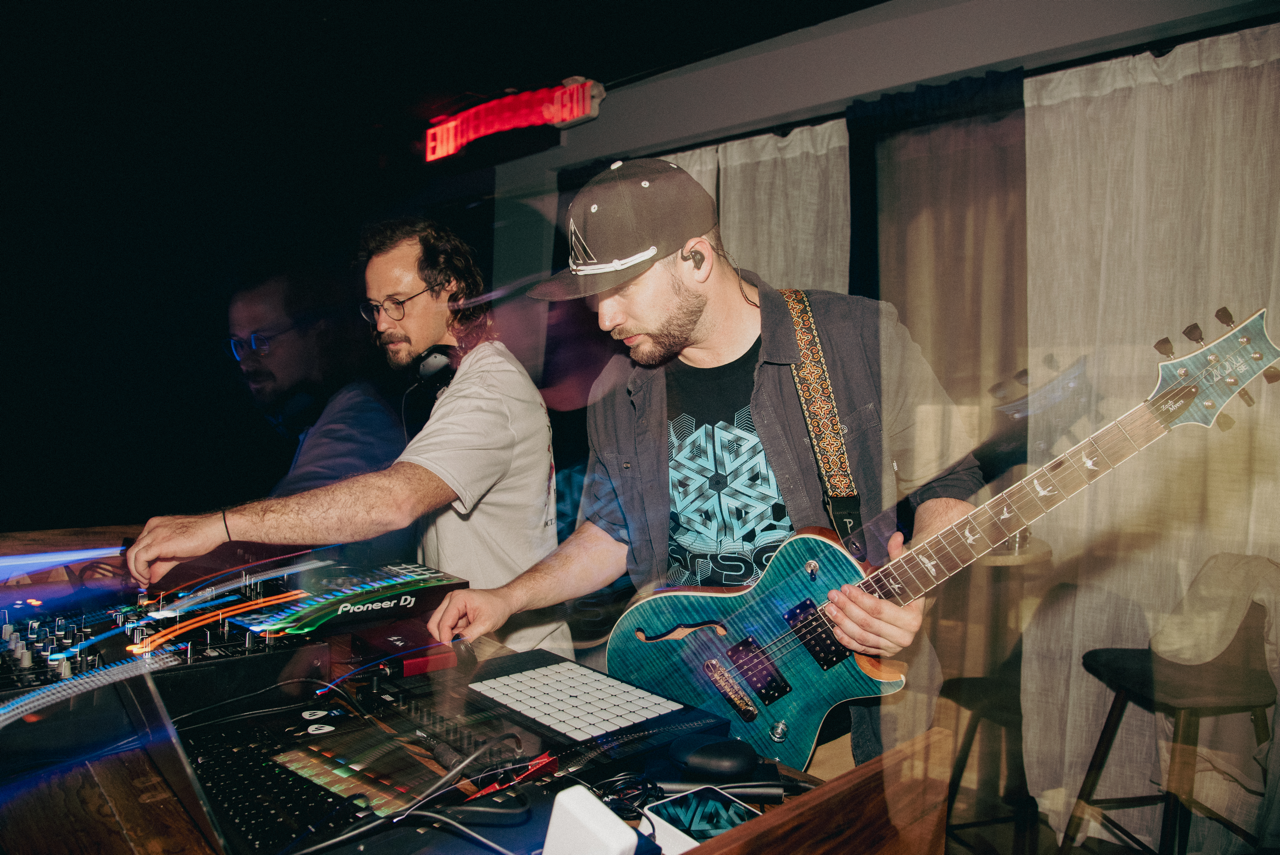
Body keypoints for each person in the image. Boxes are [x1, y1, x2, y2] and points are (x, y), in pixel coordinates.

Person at [428, 159, 983, 760]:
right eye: (595, 296)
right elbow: (615, 531)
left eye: (621, 288)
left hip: (848, 721)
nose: (604, 317)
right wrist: (507, 597)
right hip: (695, 705)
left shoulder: (853, 337)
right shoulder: (619, 390)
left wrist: (911, 591)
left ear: (695, 259)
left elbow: (949, 474)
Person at [128, 219, 571, 656]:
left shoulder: (488, 392)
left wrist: (217, 527)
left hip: (517, 659)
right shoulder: (456, 384)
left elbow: (392, 503)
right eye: (375, 307)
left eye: (397, 302)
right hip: (480, 649)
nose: (381, 323)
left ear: (452, 292)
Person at [226, 271, 404, 499]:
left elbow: (287, 521)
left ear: (319, 334)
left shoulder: (360, 424)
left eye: (262, 340)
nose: (246, 361)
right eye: (238, 344)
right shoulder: (318, 417)